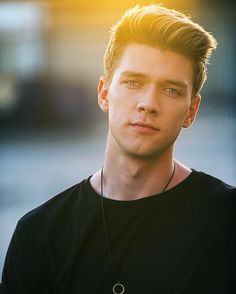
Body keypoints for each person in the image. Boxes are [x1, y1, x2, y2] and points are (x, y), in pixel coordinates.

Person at [1, 4, 235, 294]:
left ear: (191, 111)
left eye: (171, 89)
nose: (148, 103)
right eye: (133, 82)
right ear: (104, 93)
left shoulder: (227, 221)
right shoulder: (39, 235)